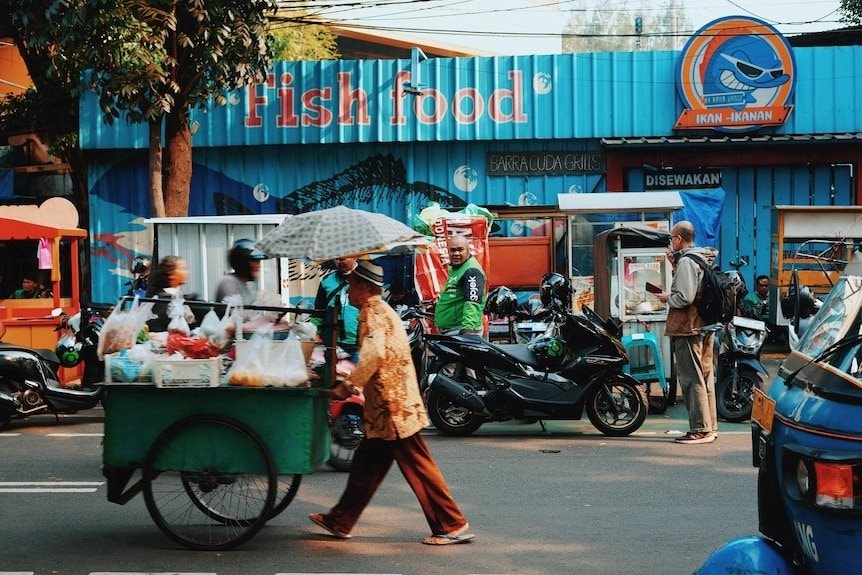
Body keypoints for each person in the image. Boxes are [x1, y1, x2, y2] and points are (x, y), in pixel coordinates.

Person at [308, 260, 473, 545]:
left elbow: (373, 356)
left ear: (363, 287)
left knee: (419, 468)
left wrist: (347, 386)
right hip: (384, 408)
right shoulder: (376, 310)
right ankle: (341, 520)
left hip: (394, 407)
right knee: (365, 466)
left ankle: (452, 524)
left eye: (351, 286)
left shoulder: (373, 312)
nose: (348, 292)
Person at [657, 221, 719, 445]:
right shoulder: (703, 256)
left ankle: (701, 430)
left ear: (679, 239)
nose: (671, 242)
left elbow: (684, 297)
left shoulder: (687, 261)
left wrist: (666, 298)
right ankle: (710, 426)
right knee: (705, 377)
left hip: (688, 327)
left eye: (672, 238)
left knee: (691, 379)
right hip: (705, 325)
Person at [433, 234, 487, 336]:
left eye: (460, 250)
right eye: (452, 250)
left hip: (461, 331)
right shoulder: (456, 268)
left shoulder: (471, 270)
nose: (456, 253)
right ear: (447, 252)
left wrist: (468, 330)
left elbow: (472, 302)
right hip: (452, 330)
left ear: (467, 250)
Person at [310, 256, 360, 362]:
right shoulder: (327, 281)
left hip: (358, 345)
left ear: (355, 257)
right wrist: (315, 332)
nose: (340, 262)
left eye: (343, 259)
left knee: (356, 377)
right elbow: (319, 311)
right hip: (331, 343)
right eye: (337, 259)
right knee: (329, 376)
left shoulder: (365, 280)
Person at [145, 255, 194, 332]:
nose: (186, 272)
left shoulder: (178, 296)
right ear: (171, 274)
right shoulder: (162, 299)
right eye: (183, 269)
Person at [214, 239, 267, 305]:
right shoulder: (228, 283)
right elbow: (235, 313)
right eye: (254, 261)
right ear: (242, 263)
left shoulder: (245, 285)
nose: (258, 265)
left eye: (259, 261)